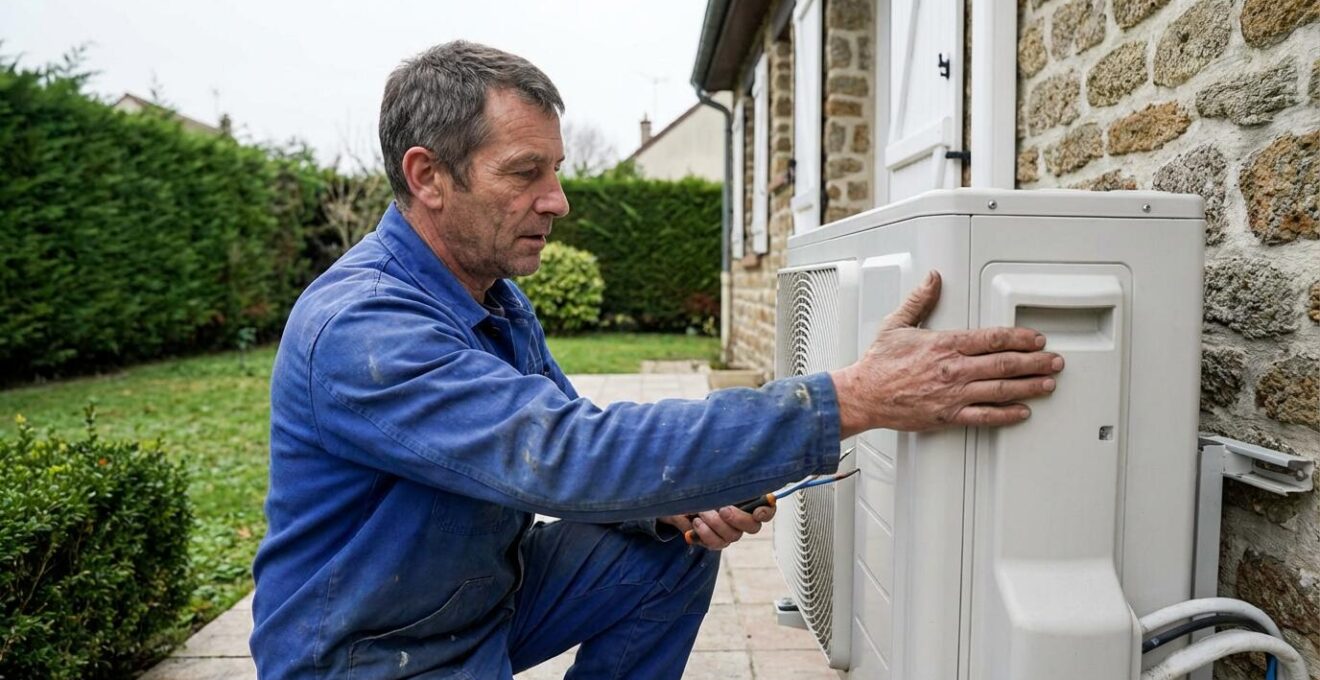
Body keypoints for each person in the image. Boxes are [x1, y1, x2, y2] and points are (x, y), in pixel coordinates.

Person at [249, 41, 1063, 680]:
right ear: (428, 176)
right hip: (368, 653)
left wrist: (669, 507)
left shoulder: (491, 296)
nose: (557, 201)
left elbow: (583, 438)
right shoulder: (364, 328)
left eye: (555, 171)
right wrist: (851, 398)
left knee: (672, 548)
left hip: (475, 602)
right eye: (525, 173)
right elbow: (566, 457)